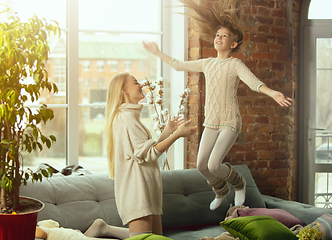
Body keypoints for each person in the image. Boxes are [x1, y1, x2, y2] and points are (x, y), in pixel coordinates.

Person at [143, 0, 293, 211]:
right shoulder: (207, 63)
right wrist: (158, 53)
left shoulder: (235, 64)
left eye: (224, 36)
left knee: (215, 164)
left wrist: (272, 93)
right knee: (201, 165)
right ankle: (220, 190)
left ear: (233, 44)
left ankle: (239, 184)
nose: (218, 38)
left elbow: (253, 83)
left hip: (230, 121)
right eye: (216, 35)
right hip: (211, 121)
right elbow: (178, 65)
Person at [84, 72, 196, 239]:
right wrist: (177, 135)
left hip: (146, 187)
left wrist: (167, 131)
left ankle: (104, 229)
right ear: (125, 91)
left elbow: (146, 150)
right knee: (145, 238)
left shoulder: (129, 116)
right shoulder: (126, 118)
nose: (142, 85)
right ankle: (103, 229)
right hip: (137, 190)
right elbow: (149, 154)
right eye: (136, 82)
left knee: (154, 237)